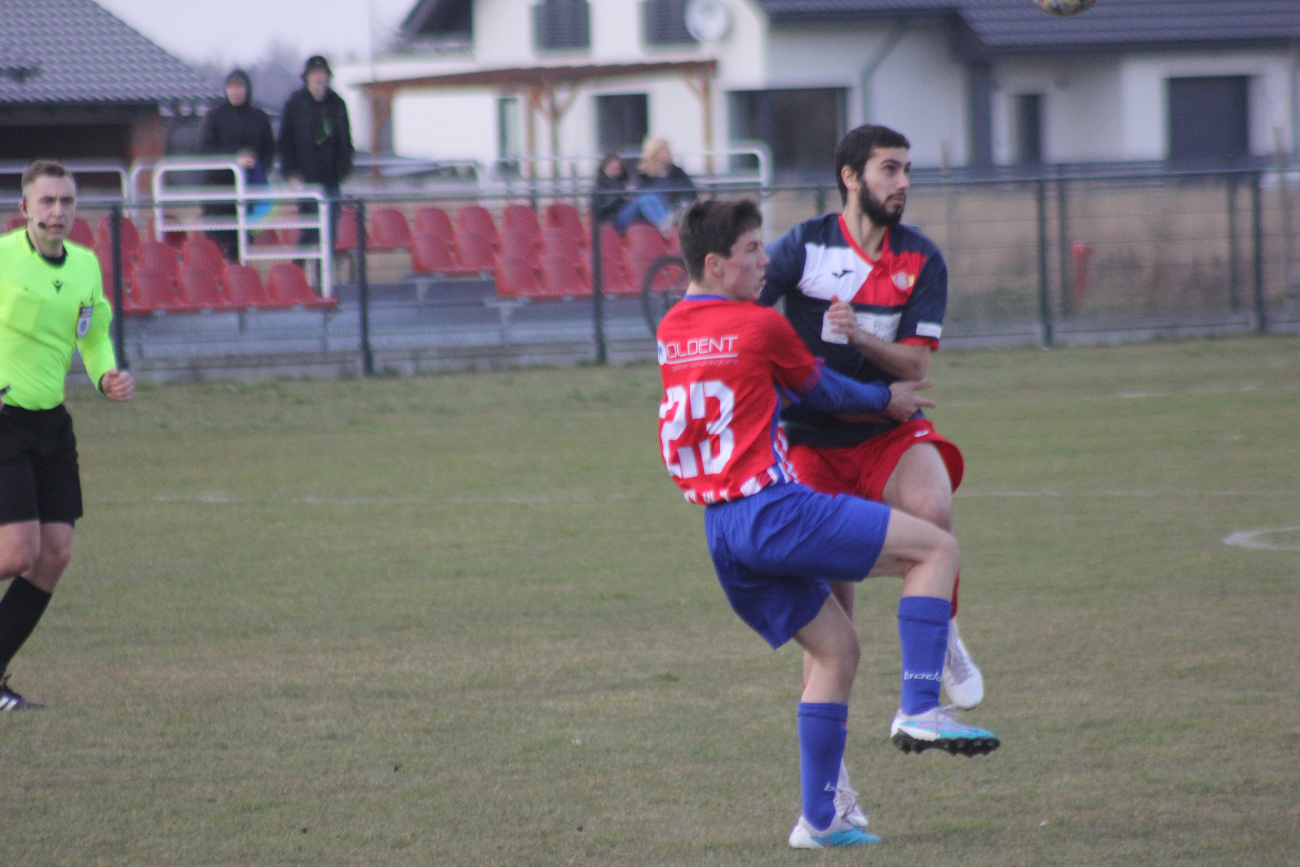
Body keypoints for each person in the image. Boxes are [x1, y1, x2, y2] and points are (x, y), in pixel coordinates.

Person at [657, 199, 998, 850]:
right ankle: (922, 705)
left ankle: (819, 818)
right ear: (715, 262)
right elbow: (822, 390)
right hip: (775, 509)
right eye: (753, 249)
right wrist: (885, 399)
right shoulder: (759, 327)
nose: (766, 260)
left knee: (836, 650)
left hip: (722, 532)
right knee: (935, 548)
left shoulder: (672, 327)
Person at [760, 126, 985, 738]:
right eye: (890, 170)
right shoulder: (803, 247)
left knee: (933, 508)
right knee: (833, 624)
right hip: (811, 443)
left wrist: (857, 334)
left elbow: (915, 366)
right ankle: (831, 789)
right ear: (851, 177)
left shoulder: (920, 258)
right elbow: (747, 315)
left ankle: (937, 644)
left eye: (907, 170)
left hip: (888, 431)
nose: (903, 183)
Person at [0, 160, 135, 710]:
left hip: (52, 425)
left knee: (54, 555)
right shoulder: (4, 258)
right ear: (25, 209)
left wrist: (106, 375)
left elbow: (93, 334)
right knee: (17, 552)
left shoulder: (84, 265)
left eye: (67, 202)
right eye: (48, 201)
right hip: (4, 419)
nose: (58, 211)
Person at [278, 55, 353, 257]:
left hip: (331, 180)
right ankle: (298, 270)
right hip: (305, 180)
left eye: (322, 74)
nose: (318, 78)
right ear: (307, 77)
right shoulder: (295, 104)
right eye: (314, 74)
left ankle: (324, 281)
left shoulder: (337, 104)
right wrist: (290, 173)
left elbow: (346, 142)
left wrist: (343, 170)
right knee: (310, 230)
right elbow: (285, 142)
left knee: (329, 234)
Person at [200, 68, 276, 260]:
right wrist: (234, 159)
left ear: (247, 89)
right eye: (231, 86)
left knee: (241, 246)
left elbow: (269, 150)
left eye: (239, 86)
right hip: (218, 192)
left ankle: (240, 284)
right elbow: (205, 150)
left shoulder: (259, 117)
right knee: (216, 247)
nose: (235, 91)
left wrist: (258, 168)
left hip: (249, 193)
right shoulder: (215, 117)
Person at [616, 138, 696, 235]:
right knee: (647, 198)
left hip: (668, 210)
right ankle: (666, 227)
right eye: (665, 152)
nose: (669, 154)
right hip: (638, 214)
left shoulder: (677, 173)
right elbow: (633, 195)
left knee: (653, 200)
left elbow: (689, 193)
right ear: (655, 154)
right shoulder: (642, 175)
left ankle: (665, 224)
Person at [591, 152, 632, 228]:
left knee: (647, 199)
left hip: (625, 214)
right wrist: (620, 197)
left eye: (618, 169)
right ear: (604, 168)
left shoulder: (623, 183)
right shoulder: (599, 187)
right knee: (643, 201)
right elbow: (600, 210)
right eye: (612, 168)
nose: (615, 171)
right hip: (612, 219)